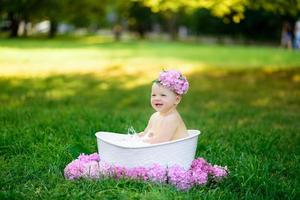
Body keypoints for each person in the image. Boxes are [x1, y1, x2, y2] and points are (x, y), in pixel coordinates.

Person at [138, 70, 189, 144]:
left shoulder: (171, 118)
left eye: (163, 95)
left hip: (176, 151)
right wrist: (139, 136)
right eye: (153, 95)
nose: (157, 98)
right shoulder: (154, 116)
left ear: (176, 100)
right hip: (163, 151)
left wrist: (140, 142)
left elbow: (160, 141)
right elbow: (147, 133)